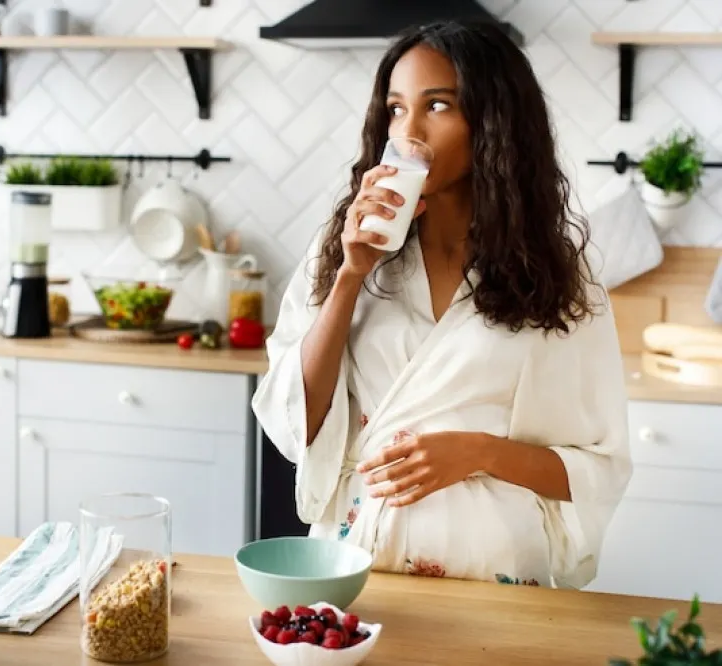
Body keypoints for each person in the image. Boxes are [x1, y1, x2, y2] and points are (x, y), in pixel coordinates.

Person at [251, 19, 632, 589]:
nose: (408, 132)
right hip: (359, 565)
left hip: (495, 576)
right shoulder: (343, 250)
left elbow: (596, 469)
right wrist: (351, 276)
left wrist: (478, 452)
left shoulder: (558, 279)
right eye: (396, 109)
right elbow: (294, 424)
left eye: (437, 106)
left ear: (493, 123)